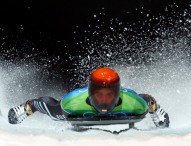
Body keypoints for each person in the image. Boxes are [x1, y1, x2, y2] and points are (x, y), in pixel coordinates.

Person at [8, 67, 170, 128]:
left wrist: (157, 114)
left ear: (118, 93)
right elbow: (43, 104)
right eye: (100, 95)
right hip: (75, 102)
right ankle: (22, 108)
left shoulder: (134, 103)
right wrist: (25, 109)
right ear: (91, 93)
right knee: (52, 110)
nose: (105, 100)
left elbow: (149, 100)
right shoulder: (72, 105)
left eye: (109, 95)